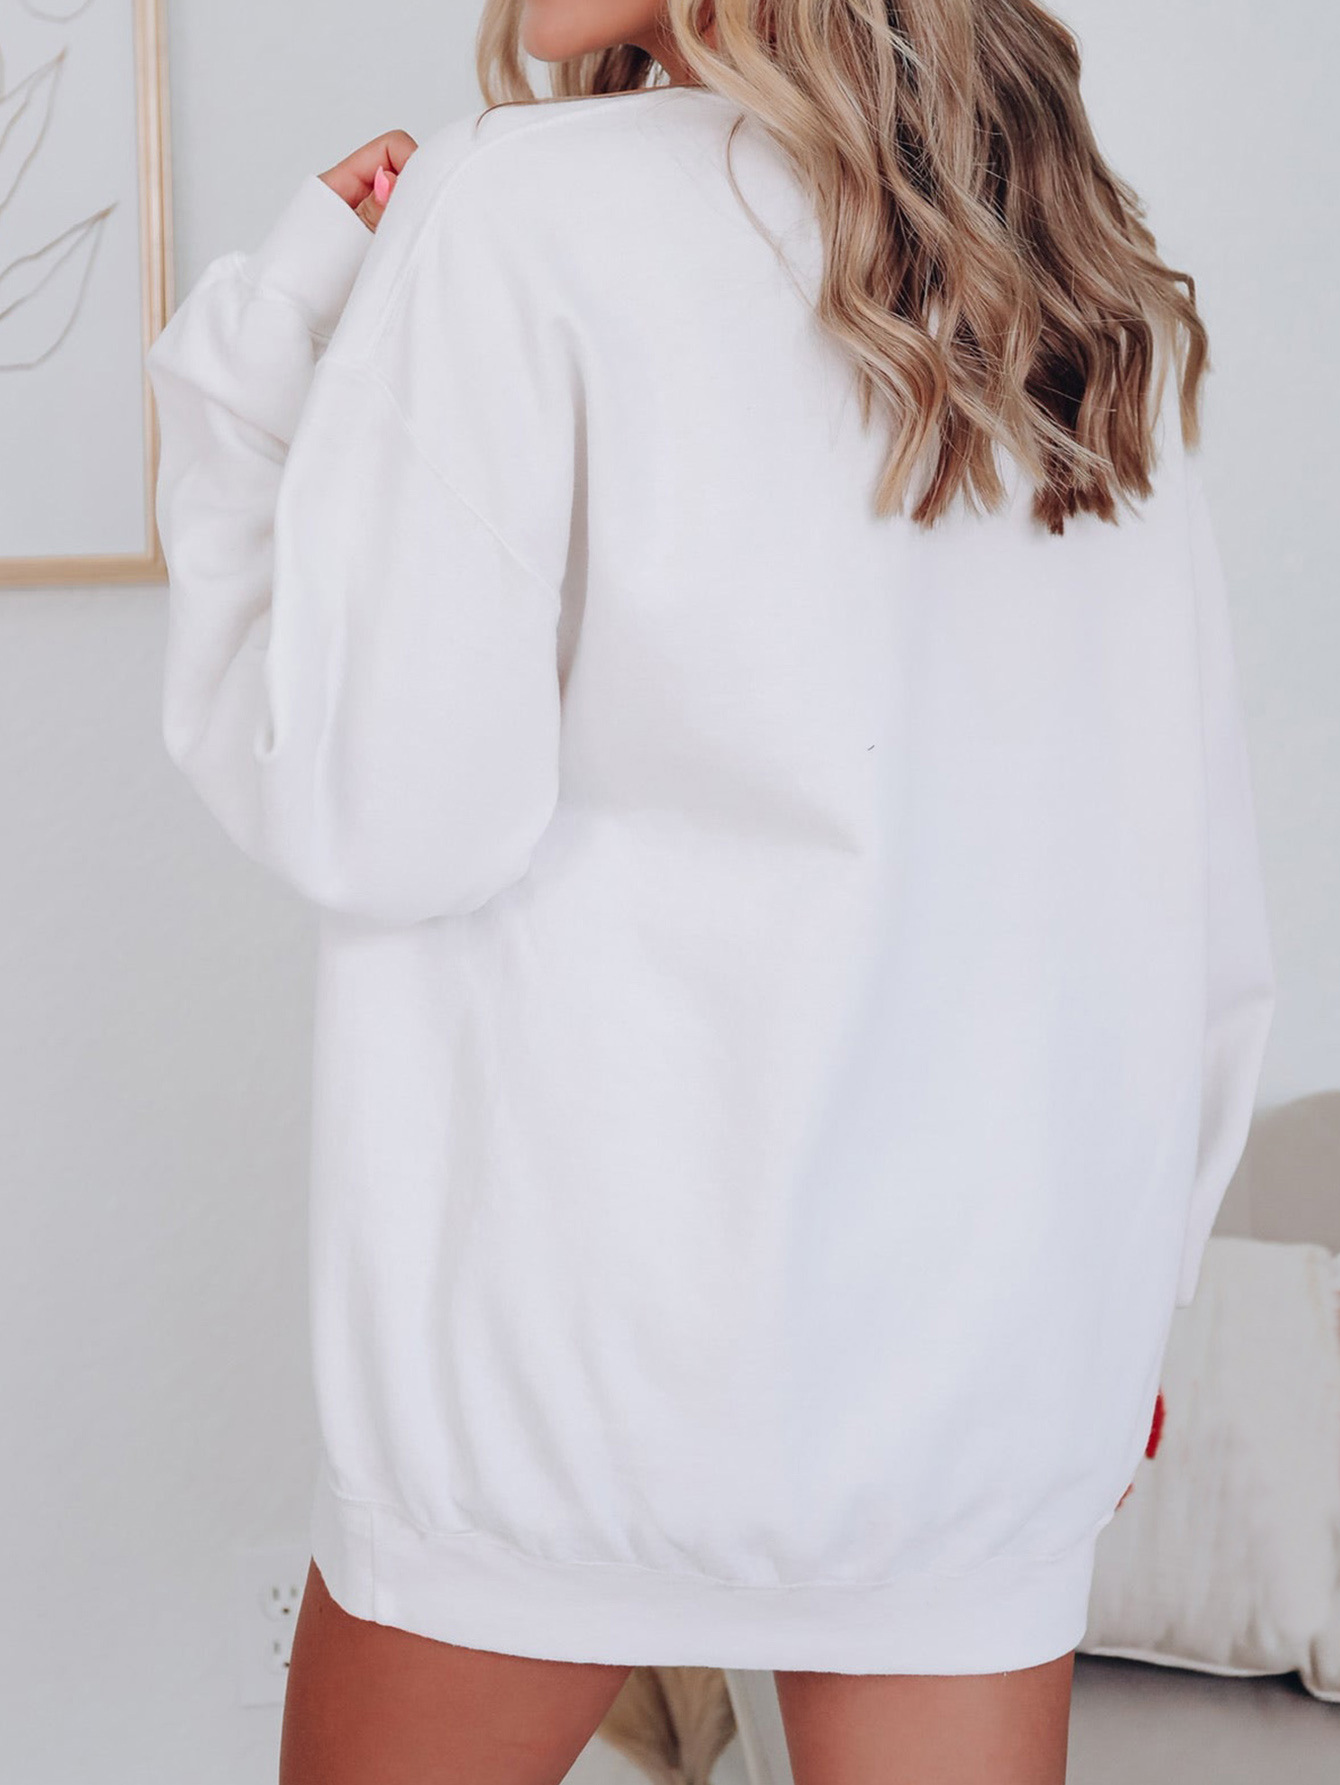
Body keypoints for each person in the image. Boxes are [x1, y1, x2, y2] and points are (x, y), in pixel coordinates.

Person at [146, 1, 1276, 1780]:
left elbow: (380, 813)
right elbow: (1177, 878)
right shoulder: (1071, 278)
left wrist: (242, 384)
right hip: (973, 1377)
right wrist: (1122, 1313)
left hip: (559, 1388)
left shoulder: (522, 212)